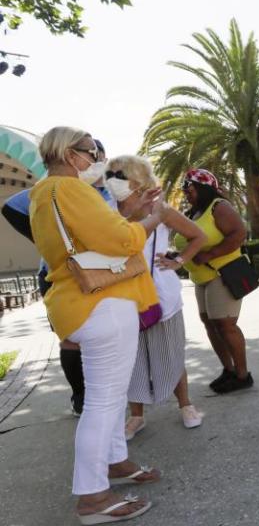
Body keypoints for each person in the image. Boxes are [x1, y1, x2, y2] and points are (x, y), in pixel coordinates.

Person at [30, 127, 164, 523]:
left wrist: (130, 216)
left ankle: (115, 462)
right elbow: (121, 241)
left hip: (83, 303)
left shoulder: (43, 191)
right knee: (104, 404)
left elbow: (92, 236)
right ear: (71, 155)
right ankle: (92, 498)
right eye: (91, 152)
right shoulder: (70, 190)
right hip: (101, 302)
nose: (97, 159)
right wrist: (151, 218)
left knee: (106, 398)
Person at [2, 138, 111, 417]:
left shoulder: (111, 195)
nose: (95, 162)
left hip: (103, 274)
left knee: (104, 333)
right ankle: (81, 395)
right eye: (90, 156)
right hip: (57, 275)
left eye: (99, 157)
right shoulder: (56, 189)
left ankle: (106, 389)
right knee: (70, 338)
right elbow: (12, 206)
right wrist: (43, 240)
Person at [104, 156, 206, 440]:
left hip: (161, 295)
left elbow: (198, 236)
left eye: (120, 174)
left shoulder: (160, 208)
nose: (113, 178)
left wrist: (179, 260)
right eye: (110, 173)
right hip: (122, 295)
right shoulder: (106, 210)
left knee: (171, 353)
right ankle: (136, 416)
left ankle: (185, 404)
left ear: (137, 178)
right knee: (130, 359)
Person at [175, 169, 253, 393]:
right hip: (201, 277)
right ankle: (228, 370)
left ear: (202, 188)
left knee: (226, 325)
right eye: (184, 189)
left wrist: (210, 254)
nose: (186, 193)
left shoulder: (219, 207)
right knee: (210, 324)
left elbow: (239, 234)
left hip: (222, 274)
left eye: (189, 189)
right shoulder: (193, 212)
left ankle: (242, 375)